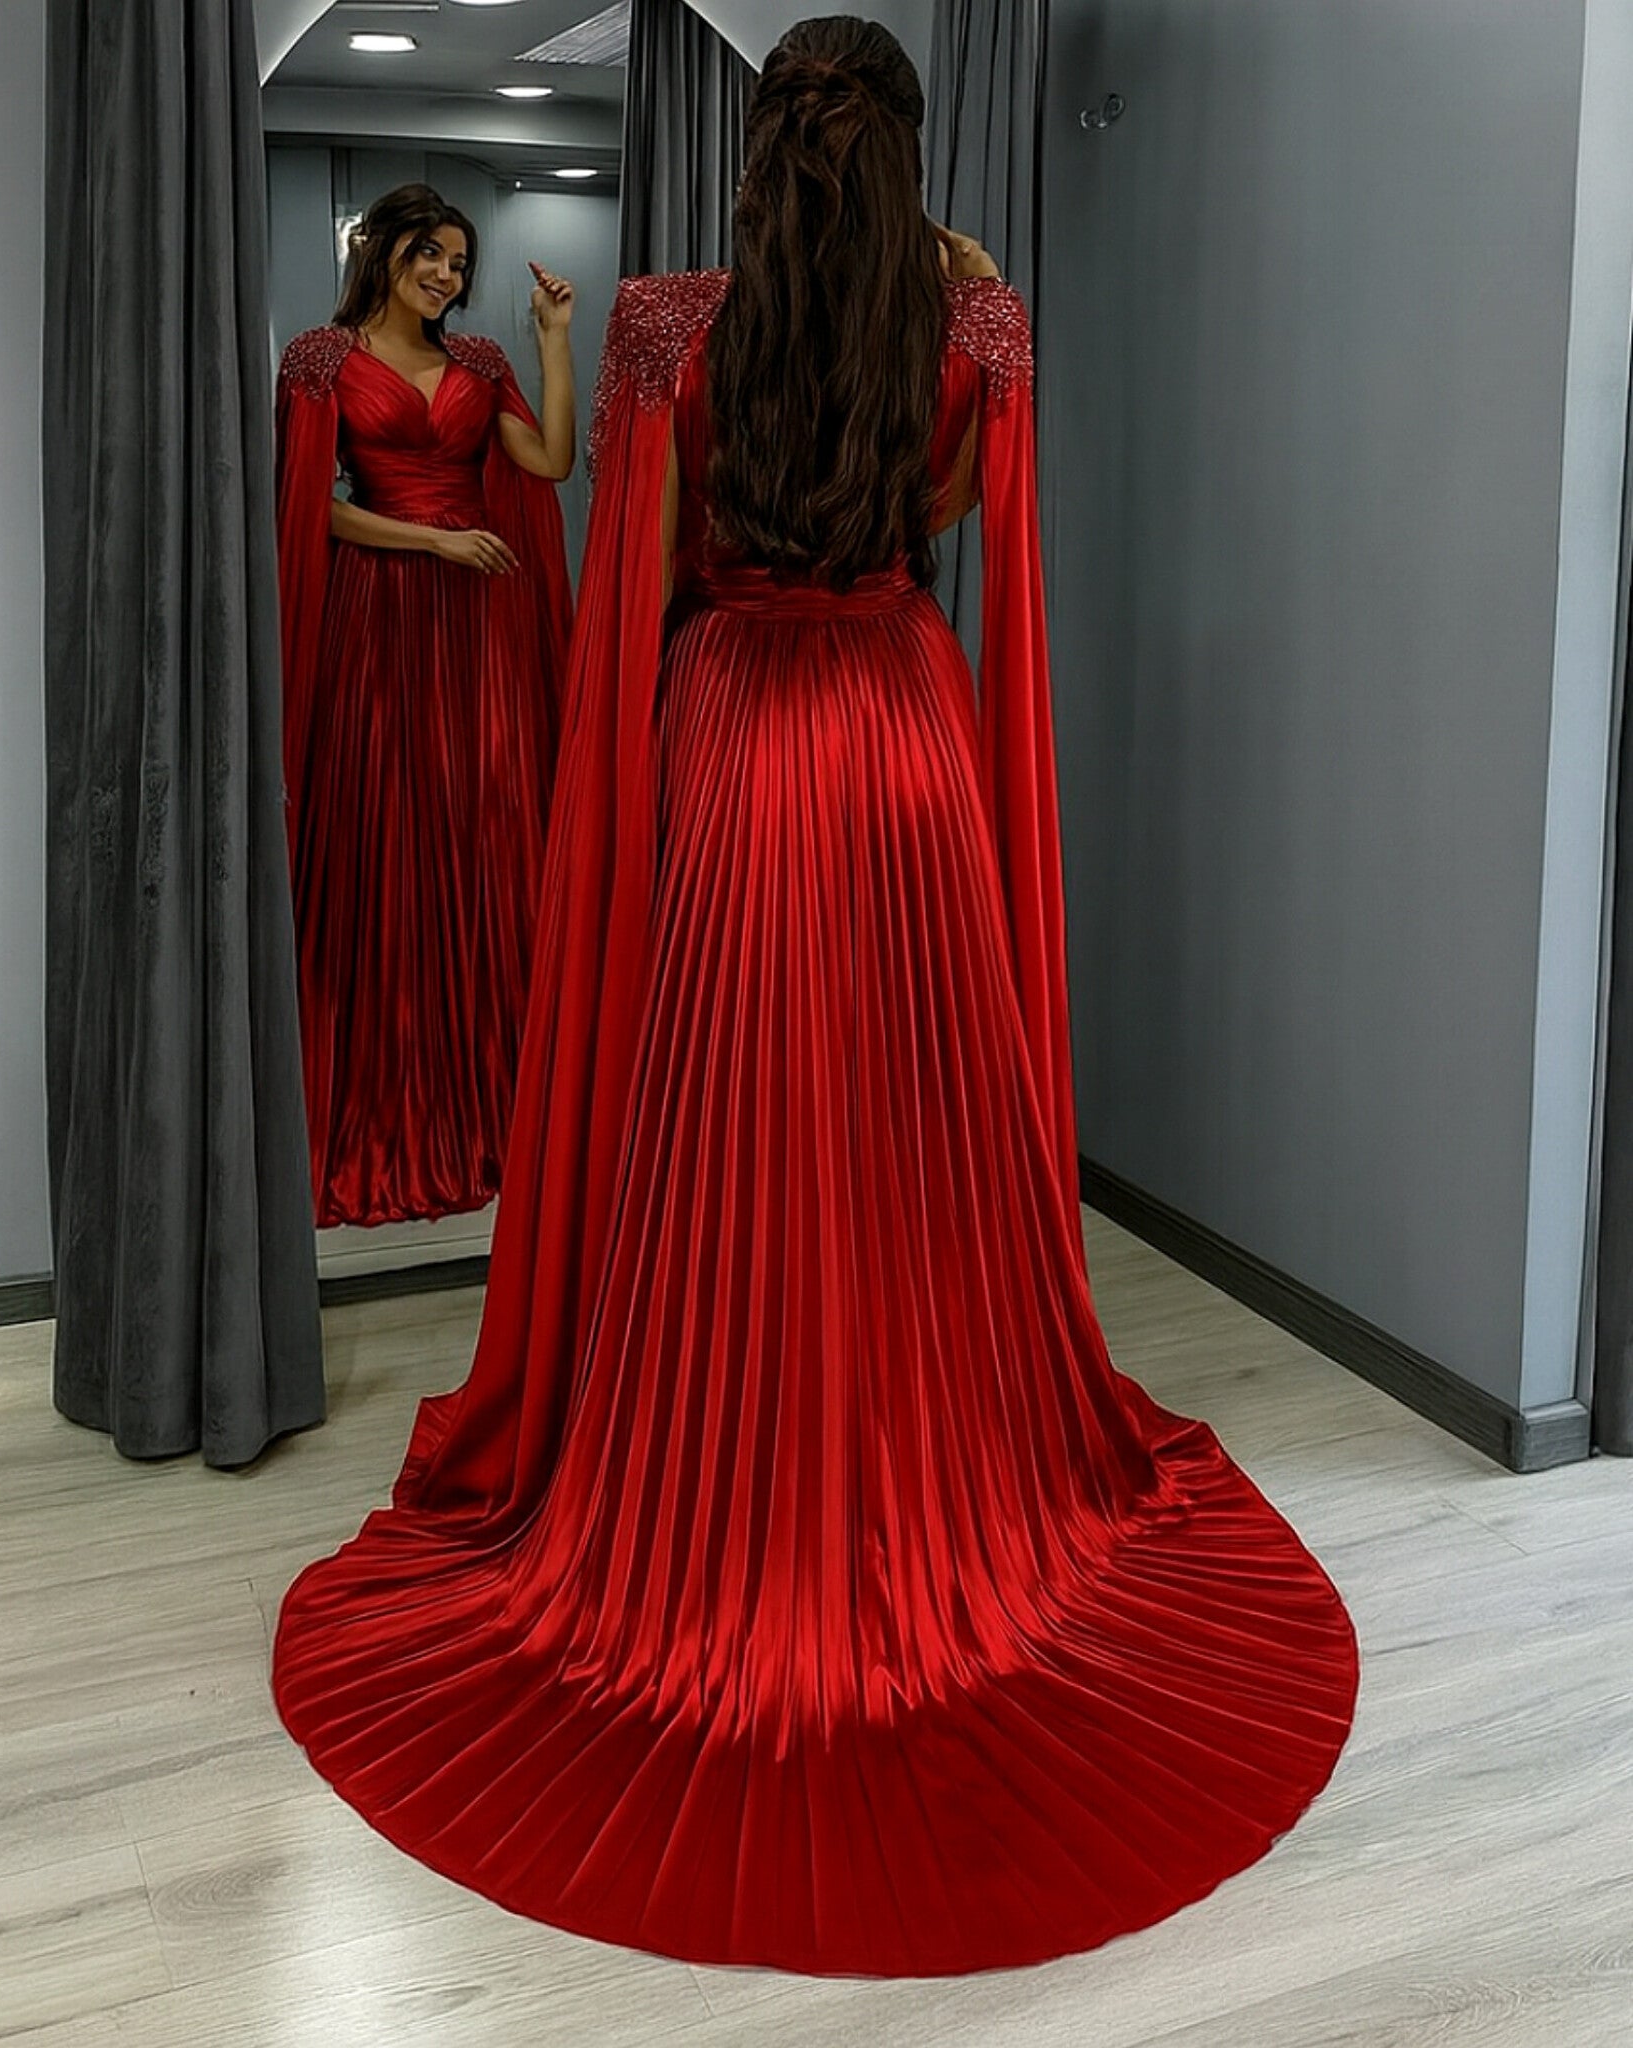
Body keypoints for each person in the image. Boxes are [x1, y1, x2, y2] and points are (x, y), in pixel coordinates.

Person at [272, 21, 1358, 1974]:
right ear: (906, 164)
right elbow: (953, 523)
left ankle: (711, 1472)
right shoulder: (973, 333)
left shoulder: (667, 328)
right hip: (905, 737)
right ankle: (926, 1458)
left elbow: (643, 584)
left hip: (730, 737)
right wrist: (961, 280)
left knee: (729, 1127)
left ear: (757, 157)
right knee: (906, 1133)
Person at [274, 184, 576, 1227]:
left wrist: (553, 341)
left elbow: (550, 462)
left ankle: (497, 1093)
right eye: (430, 255)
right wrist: (435, 540)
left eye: (458, 261)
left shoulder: (482, 364)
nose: (447, 275)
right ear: (383, 251)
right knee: (383, 833)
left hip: (475, 627)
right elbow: (311, 507)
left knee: (480, 829)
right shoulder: (319, 360)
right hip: (379, 618)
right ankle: (383, 1090)